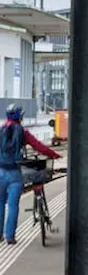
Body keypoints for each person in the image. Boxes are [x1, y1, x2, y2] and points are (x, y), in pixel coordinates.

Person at [0, 104, 61, 245]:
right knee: (13, 205)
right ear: (20, 117)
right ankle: (10, 237)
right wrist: (54, 155)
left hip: (0, 171)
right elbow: (39, 146)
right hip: (16, 172)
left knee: (0, 203)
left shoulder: (1, 129)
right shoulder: (22, 132)